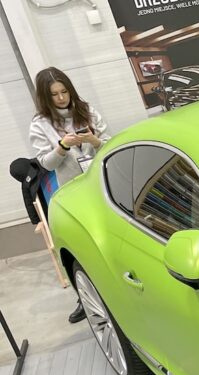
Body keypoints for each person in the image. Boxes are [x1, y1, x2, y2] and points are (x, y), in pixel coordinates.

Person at [28, 67, 111, 325]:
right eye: (55, 94)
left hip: (100, 183)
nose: (61, 98)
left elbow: (110, 144)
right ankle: (86, 295)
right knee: (80, 244)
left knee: (108, 236)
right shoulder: (40, 124)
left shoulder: (87, 110)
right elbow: (46, 163)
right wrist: (62, 146)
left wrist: (94, 142)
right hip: (73, 191)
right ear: (46, 97)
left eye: (64, 91)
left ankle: (115, 286)